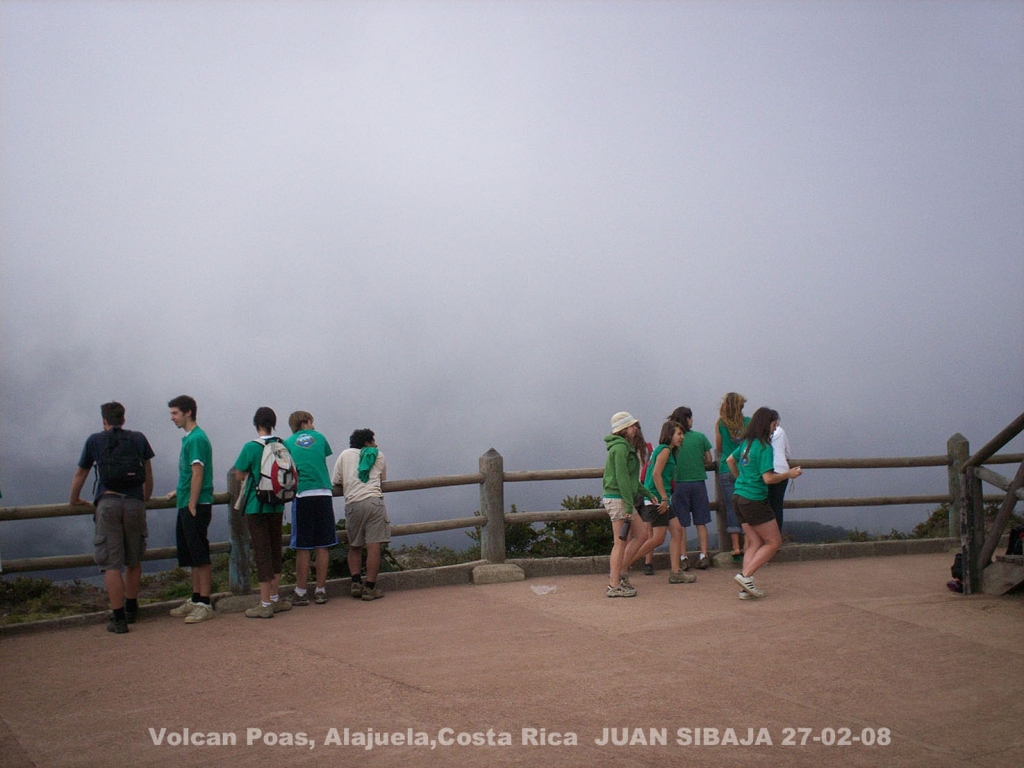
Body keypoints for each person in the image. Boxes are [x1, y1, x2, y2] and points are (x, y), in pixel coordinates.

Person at [69, 402, 154, 634]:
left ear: (104, 420)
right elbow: (147, 472)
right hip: (135, 503)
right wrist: (144, 498)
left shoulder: (95, 440)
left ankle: (118, 620)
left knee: (111, 563)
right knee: (134, 558)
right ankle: (131, 609)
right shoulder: (138, 438)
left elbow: (81, 473)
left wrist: (74, 499)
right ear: (123, 420)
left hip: (108, 503)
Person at [726, 407, 803, 600]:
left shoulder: (747, 444)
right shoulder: (764, 447)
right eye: (774, 424)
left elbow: (729, 460)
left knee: (754, 541)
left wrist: (740, 479)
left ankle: (746, 586)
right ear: (766, 424)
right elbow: (768, 479)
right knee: (774, 542)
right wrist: (789, 474)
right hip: (754, 500)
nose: (774, 428)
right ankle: (745, 576)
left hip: (739, 497)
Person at [234, 407, 292, 619]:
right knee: (275, 549)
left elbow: (239, 474)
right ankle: (276, 600)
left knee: (261, 552)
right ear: (273, 423)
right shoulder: (282, 445)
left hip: (256, 506)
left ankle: (265, 603)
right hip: (277, 505)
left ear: (256, 423)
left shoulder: (251, 447)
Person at [166, 395, 216, 624]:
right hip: (187, 499)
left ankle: (204, 602)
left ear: (188, 412)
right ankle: (196, 598)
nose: (172, 418)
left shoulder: (196, 439)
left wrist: (193, 502)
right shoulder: (189, 438)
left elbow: (198, 472)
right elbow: (189, 473)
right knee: (192, 555)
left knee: (200, 553)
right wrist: (180, 491)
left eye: (175, 413)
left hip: (195, 504)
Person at [601, 412, 658, 598]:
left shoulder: (624, 447)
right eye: (632, 425)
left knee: (641, 534)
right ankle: (614, 583)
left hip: (620, 498)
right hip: (618, 499)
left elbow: (631, 479)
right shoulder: (620, 449)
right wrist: (628, 506)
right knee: (620, 542)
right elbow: (622, 478)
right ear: (624, 429)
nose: (636, 428)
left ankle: (621, 573)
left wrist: (647, 493)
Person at [629, 420, 693, 583]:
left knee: (677, 531)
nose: (682, 437)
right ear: (669, 435)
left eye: (682, 434)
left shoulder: (663, 450)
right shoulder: (664, 451)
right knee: (657, 539)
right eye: (679, 434)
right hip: (657, 499)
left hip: (659, 498)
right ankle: (623, 565)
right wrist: (664, 497)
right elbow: (656, 474)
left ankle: (675, 572)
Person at [283, 411, 337, 606]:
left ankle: (301, 591)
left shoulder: (288, 443)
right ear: (305, 422)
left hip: (303, 493)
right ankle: (321, 590)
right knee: (323, 544)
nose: (314, 425)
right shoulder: (320, 437)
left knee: (303, 546)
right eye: (312, 422)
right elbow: (323, 455)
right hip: (323, 492)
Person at [331, 429, 390, 601]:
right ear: (366, 443)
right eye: (373, 441)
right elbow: (382, 478)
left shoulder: (344, 455)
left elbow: (336, 480)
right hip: (373, 502)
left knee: (354, 546)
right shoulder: (378, 455)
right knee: (373, 546)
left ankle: (355, 582)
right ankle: (370, 587)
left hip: (353, 503)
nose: (375, 444)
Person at [668, 406, 714, 571]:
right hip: (698, 482)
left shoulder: (673, 439)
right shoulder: (700, 437)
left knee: (681, 523)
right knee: (701, 521)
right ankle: (703, 555)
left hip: (679, 483)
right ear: (686, 419)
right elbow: (709, 459)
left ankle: (683, 557)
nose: (692, 420)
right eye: (691, 417)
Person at [715, 393, 750, 562]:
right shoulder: (748, 422)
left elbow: (719, 446)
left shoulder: (721, 423)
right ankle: (747, 544)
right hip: (744, 467)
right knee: (747, 504)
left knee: (731, 506)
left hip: (725, 467)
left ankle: (735, 547)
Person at [768, 418, 793, 533]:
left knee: (765, 505)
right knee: (777, 506)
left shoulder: (759, 434)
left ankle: (766, 537)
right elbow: (787, 452)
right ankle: (777, 535)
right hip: (782, 471)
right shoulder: (781, 431)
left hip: (766, 471)